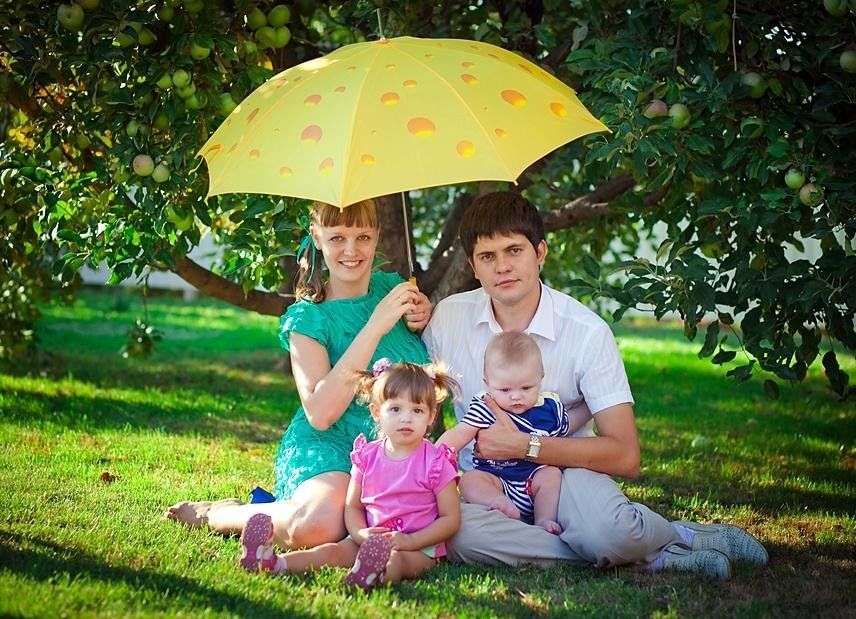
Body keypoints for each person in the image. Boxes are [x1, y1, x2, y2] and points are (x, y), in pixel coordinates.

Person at [422, 190, 769, 580]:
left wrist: (525, 446)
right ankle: (646, 553)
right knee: (458, 535)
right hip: (488, 485)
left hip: (566, 473)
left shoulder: (587, 332)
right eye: (487, 256)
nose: (502, 266)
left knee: (606, 530)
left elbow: (625, 455)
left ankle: (673, 535)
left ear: (540, 252)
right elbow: (408, 391)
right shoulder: (448, 319)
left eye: (514, 250)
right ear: (472, 265)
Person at [165, 199, 433, 553]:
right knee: (316, 525)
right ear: (317, 237)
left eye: (363, 237)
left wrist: (423, 318)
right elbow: (320, 413)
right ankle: (220, 514)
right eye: (337, 238)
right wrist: (374, 326)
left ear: (377, 236)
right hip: (331, 445)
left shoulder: (394, 290)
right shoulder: (307, 320)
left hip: (399, 449)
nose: (351, 250)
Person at [238, 360, 461, 592]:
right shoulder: (366, 457)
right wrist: (359, 533)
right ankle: (274, 563)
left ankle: (373, 575)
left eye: (417, 410)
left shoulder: (436, 462)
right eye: (396, 409)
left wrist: (411, 541)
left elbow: (450, 519)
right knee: (331, 552)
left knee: (397, 560)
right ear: (376, 412)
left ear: (431, 416)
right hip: (368, 539)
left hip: (418, 547)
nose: (406, 418)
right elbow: (353, 506)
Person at [438, 331, 590, 534]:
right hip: (495, 478)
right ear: (487, 383)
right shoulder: (486, 407)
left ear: (540, 378)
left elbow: (570, 423)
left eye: (526, 388)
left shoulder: (548, 409)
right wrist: (432, 455)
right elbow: (459, 434)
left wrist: (591, 405)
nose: (516, 396)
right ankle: (500, 503)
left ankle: (544, 519)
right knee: (470, 479)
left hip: (533, 478)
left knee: (552, 475)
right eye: (505, 390)